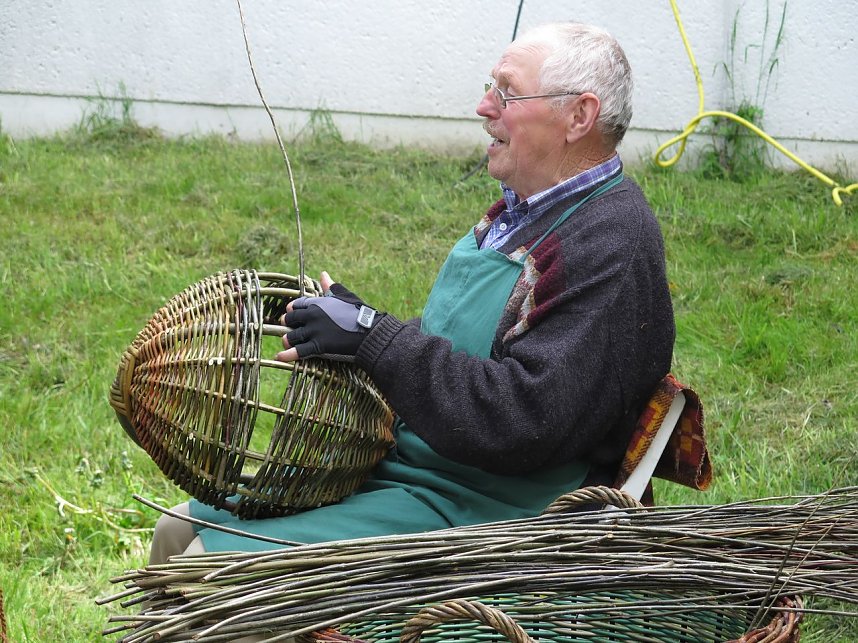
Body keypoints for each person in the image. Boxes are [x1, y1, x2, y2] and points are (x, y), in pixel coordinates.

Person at [149, 21, 675, 564]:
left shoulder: (610, 242)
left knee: (202, 565)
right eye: (489, 86)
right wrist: (357, 324)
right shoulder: (522, 213)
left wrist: (375, 337)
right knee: (175, 528)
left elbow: (523, 421)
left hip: (492, 509)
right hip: (421, 464)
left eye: (507, 92)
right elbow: (458, 348)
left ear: (579, 116)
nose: (483, 106)